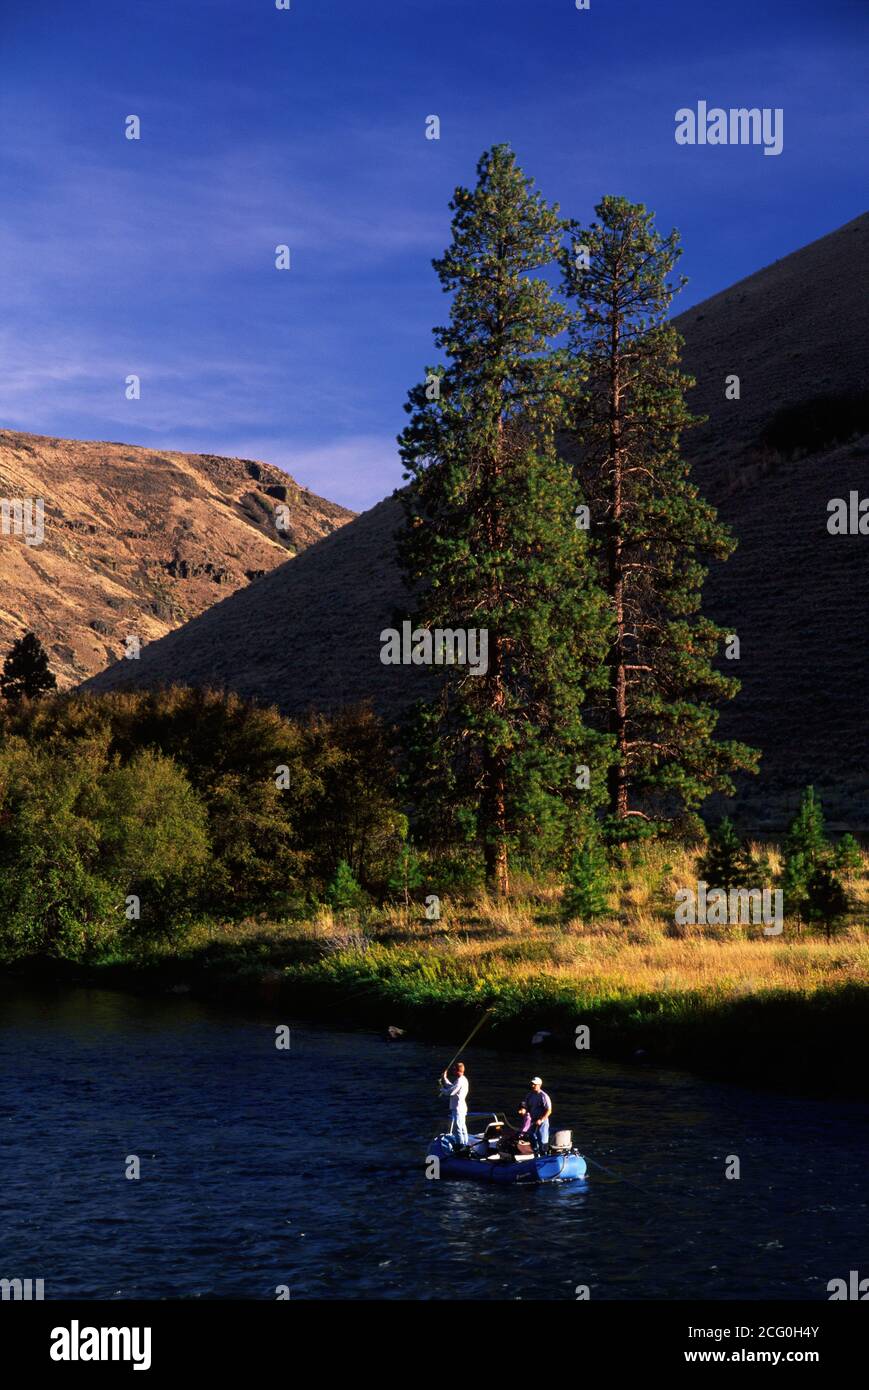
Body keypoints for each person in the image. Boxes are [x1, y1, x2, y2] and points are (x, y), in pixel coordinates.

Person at [440, 1061, 469, 1147]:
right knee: (462, 1127)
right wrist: (444, 1078)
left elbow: (450, 1092)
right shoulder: (463, 1079)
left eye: (454, 1070)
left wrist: (441, 1089)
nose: (453, 1072)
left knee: (458, 1128)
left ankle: (460, 1146)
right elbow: (452, 1087)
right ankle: (465, 1145)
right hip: (461, 1107)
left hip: (458, 1108)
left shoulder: (460, 1081)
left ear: (458, 1071)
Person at [523, 1076, 553, 1155]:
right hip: (533, 1120)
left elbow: (549, 1110)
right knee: (530, 1135)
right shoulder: (529, 1095)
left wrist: (541, 1120)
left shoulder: (544, 1096)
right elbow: (526, 1107)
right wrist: (525, 1112)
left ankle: (544, 1154)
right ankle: (536, 1154)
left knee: (542, 1139)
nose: (532, 1086)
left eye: (534, 1084)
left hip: (542, 1121)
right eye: (532, 1084)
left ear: (539, 1085)